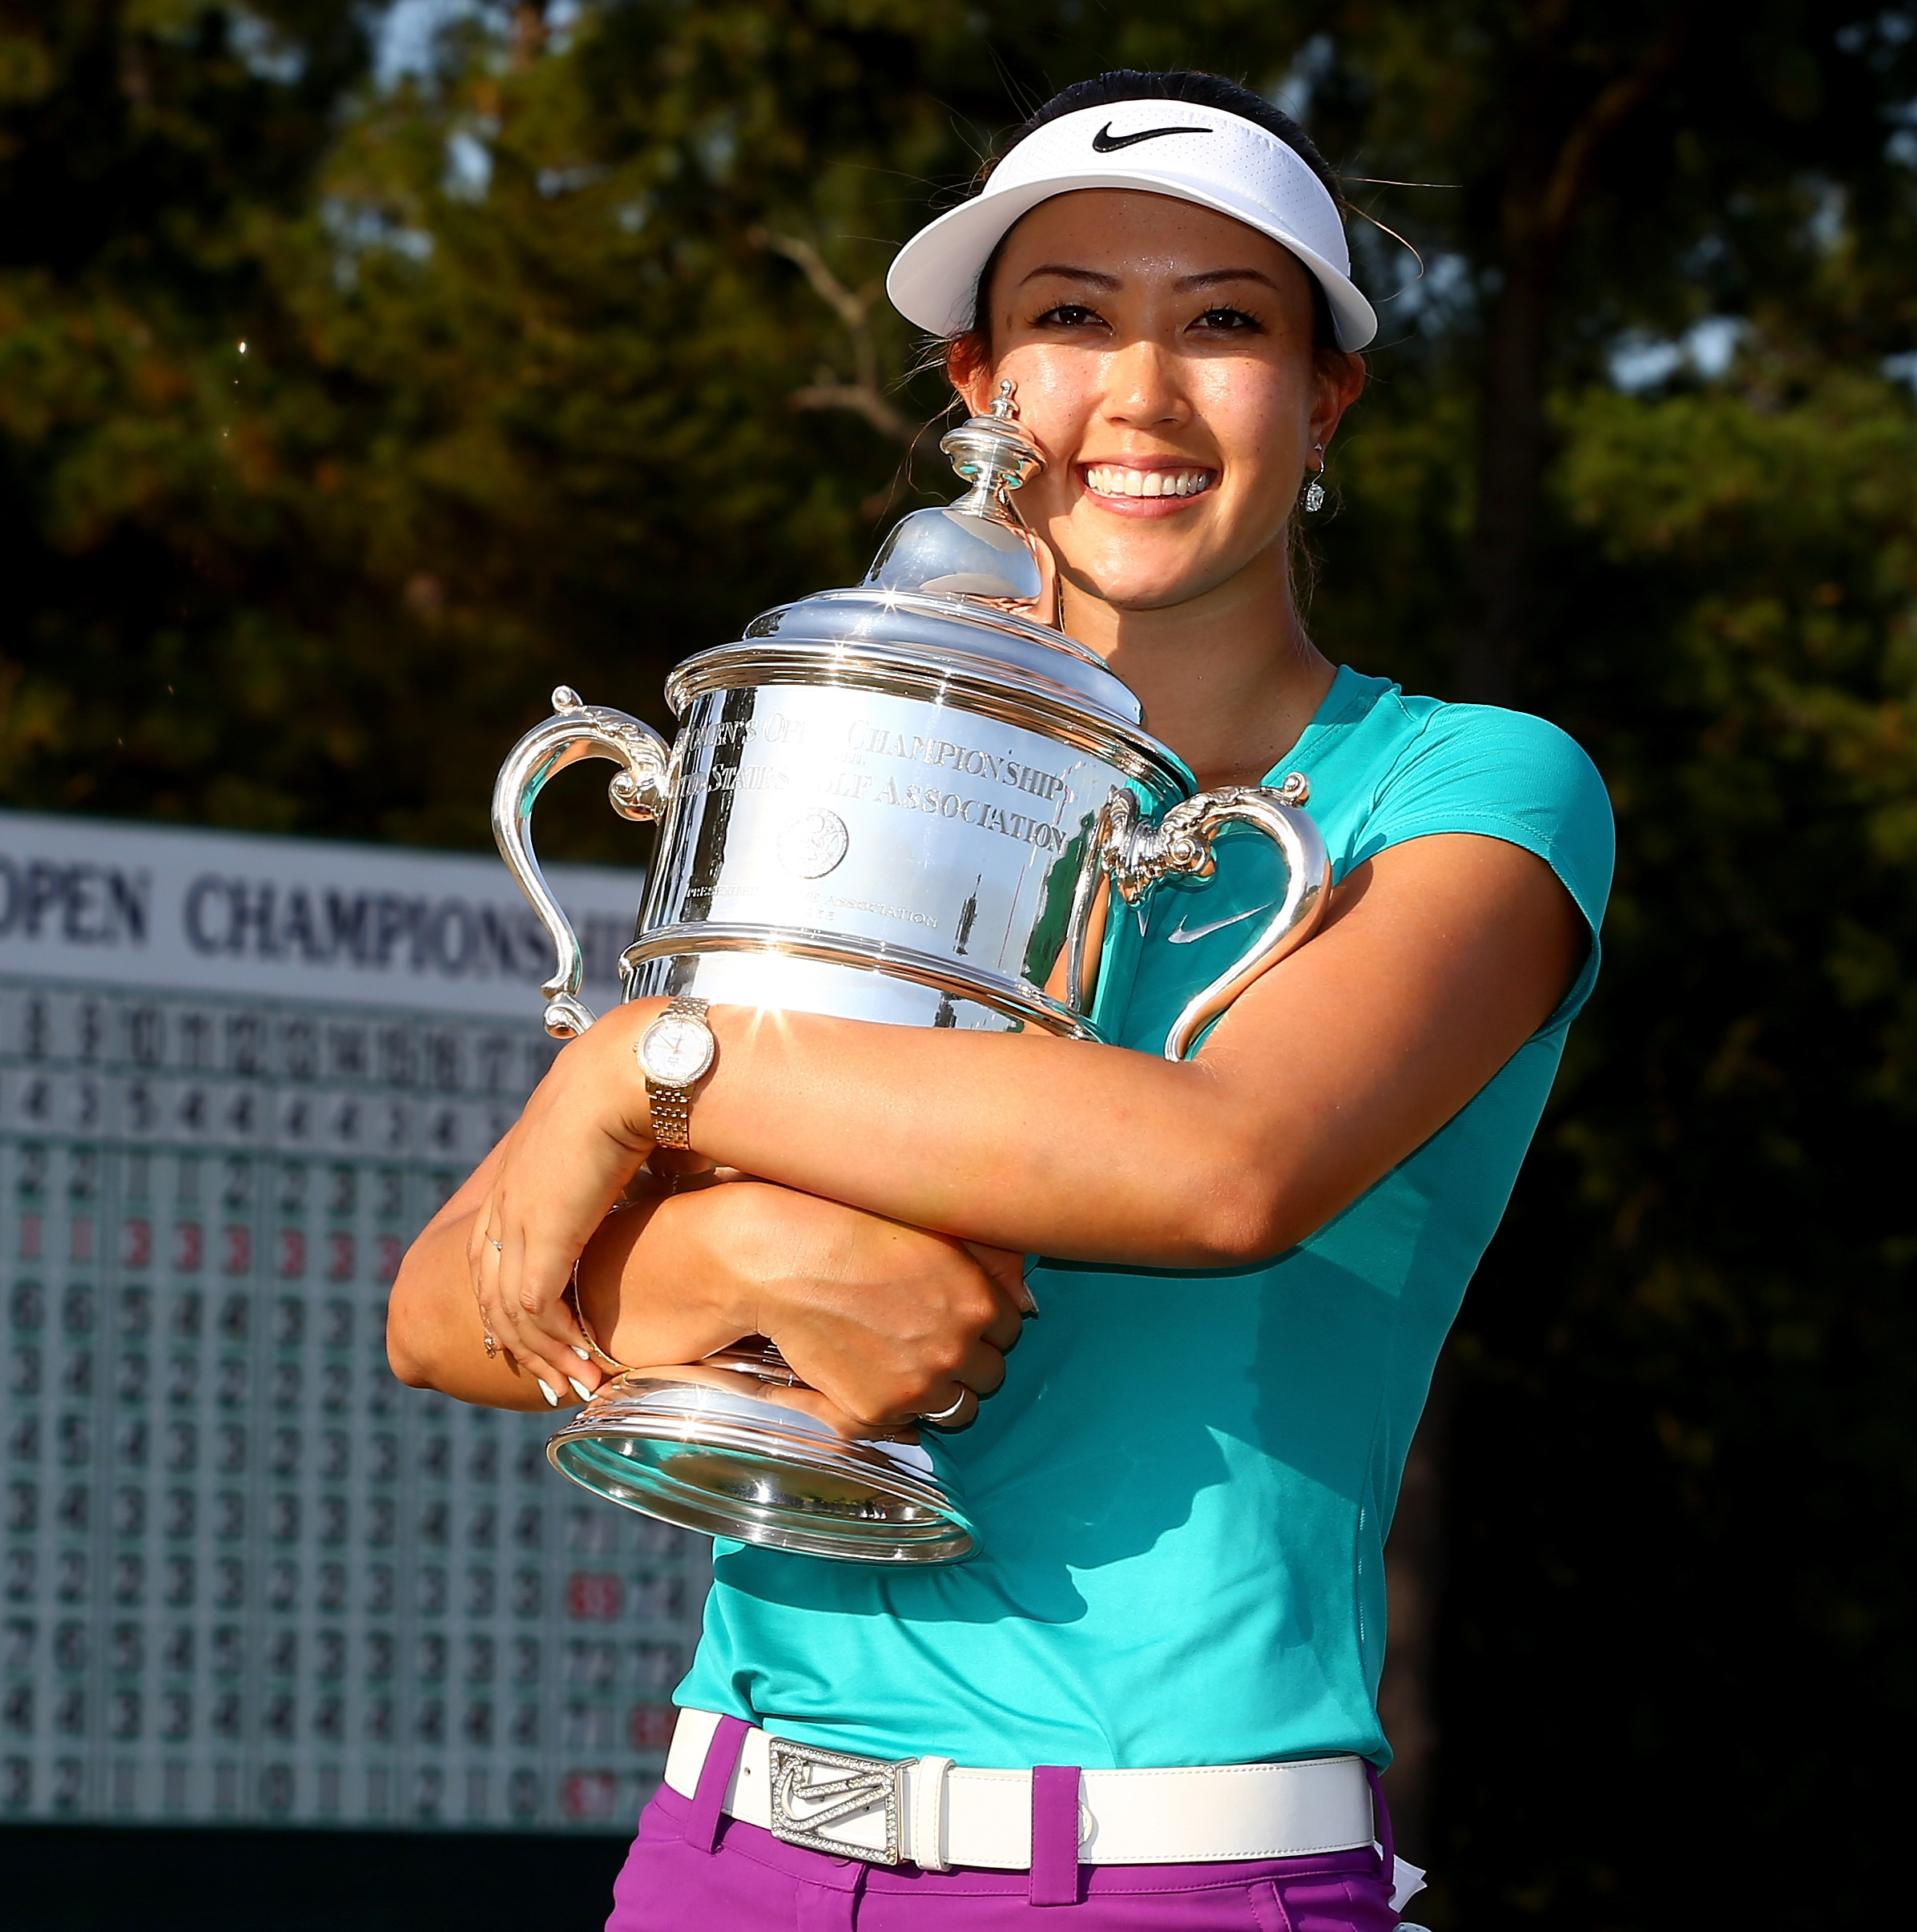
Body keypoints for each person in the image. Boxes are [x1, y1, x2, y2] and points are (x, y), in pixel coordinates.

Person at [386, 68, 1613, 1931]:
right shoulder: (841, 760)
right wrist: (726, 1278)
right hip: (725, 1853)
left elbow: (1226, 1171)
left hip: (1172, 1871)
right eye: (1068, 319)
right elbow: (440, 1310)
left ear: (1326, 397)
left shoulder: (1471, 792)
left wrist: (655, 1064)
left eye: (1222, 325)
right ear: (976, 389)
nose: (1140, 391)